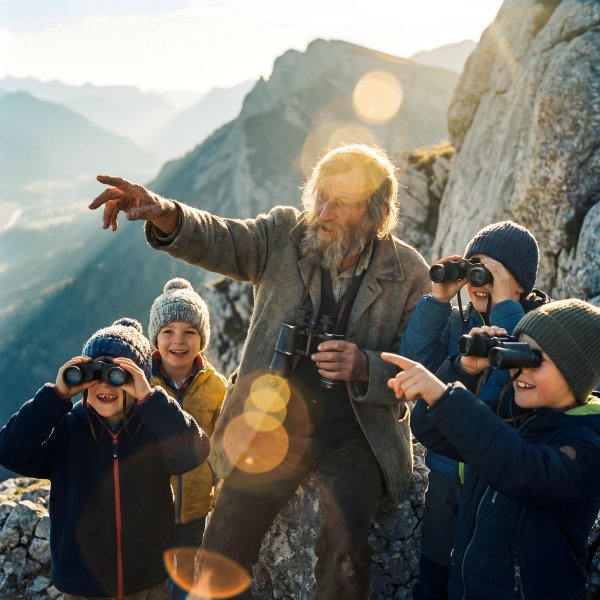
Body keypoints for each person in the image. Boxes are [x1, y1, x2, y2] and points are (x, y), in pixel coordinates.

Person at [89, 143, 432, 599]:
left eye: (341, 202)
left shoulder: (407, 272)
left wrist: (363, 365)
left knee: (345, 545)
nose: (324, 211)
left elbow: (418, 365)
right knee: (224, 536)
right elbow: (222, 239)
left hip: (356, 436)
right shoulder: (284, 235)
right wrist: (165, 212)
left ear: (373, 213)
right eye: (321, 196)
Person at [383, 298, 600, 599]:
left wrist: (445, 396)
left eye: (534, 359)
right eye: (517, 354)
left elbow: (520, 469)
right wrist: (463, 368)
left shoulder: (587, 443)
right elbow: (432, 430)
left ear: (574, 371)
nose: (521, 370)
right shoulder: (514, 414)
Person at [0, 318, 210, 599]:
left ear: (139, 380)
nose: (104, 384)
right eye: (93, 373)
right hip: (83, 586)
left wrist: (150, 398)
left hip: (148, 583)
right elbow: (10, 451)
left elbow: (194, 451)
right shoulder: (67, 431)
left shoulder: (154, 430)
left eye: (118, 374)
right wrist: (56, 395)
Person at [397, 220, 550, 599]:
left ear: (520, 284)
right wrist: (437, 299)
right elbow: (416, 367)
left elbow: (519, 376)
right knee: (434, 575)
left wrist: (505, 308)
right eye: (473, 269)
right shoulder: (456, 322)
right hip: (447, 478)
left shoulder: (537, 325)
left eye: (491, 272)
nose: (479, 281)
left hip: (498, 485)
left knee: (482, 573)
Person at [148, 278, 227, 599]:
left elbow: (223, 449)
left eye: (189, 332)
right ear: (155, 337)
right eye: (168, 331)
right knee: (151, 584)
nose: (178, 341)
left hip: (195, 511)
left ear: (202, 339)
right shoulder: (141, 386)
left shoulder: (217, 387)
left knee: (185, 585)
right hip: (150, 511)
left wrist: (220, 492)